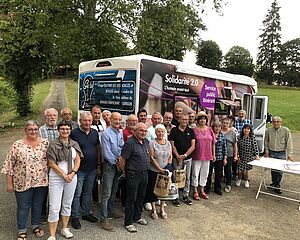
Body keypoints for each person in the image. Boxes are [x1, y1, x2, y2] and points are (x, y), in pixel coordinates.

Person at [2, 120, 48, 240]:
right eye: (30, 129)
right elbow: (9, 165)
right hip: (22, 182)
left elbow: (53, 161)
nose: (33, 131)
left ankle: (35, 226)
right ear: (25, 130)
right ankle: (22, 230)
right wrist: (9, 183)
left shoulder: (45, 143)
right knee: (23, 207)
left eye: (35, 129)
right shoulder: (17, 145)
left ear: (38, 130)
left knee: (38, 205)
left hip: (41, 182)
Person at [46, 120, 83, 240]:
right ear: (58, 130)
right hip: (57, 177)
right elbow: (51, 163)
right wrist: (64, 175)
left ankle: (64, 228)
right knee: (54, 206)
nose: (65, 131)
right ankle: (52, 235)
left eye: (67, 129)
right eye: (62, 129)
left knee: (67, 204)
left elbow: (77, 160)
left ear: (70, 130)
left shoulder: (74, 144)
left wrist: (72, 173)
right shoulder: (53, 144)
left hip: (71, 177)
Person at [70, 112, 101, 229]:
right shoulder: (74, 134)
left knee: (88, 192)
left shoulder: (94, 133)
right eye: (85, 120)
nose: (87, 123)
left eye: (89, 120)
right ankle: (75, 216)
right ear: (80, 121)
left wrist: (98, 165)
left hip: (92, 169)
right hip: (79, 169)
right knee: (77, 194)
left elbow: (98, 149)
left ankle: (86, 213)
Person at [118, 122, 150, 233]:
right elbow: (122, 160)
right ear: (135, 131)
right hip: (133, 175)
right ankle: (128, 222)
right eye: (141, 130)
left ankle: (137, 217)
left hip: (144, 174)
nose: (143, 133)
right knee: (131, 199)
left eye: (145, 131)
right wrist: (124, 172)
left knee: (141, 197)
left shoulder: (146, 141)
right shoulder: (130, 143)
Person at [100, 112, 124, 231]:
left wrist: (121, 161)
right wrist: (117, 162)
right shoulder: (106, 133)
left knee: (114, 191)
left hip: (118, 165)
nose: (118, 121)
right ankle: (103, 218)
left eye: (119, 119)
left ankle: (110, 211)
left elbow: (121, 147)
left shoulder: (120, 132)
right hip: (110, 166)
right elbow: (106, 152)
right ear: (110, 119)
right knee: (106, 193)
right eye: (115, 119)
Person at [144, 124, 172, 220]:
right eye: (158, 131)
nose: (160, 133)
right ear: (155, 133)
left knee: (164, 190)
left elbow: (170, 156)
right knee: (153, 189)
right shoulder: (152, 142)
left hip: (165, 170)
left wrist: (168, 166)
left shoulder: (168, 143)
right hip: (154, 170)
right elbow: (151, 158)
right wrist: (160, 169)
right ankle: (154, 210)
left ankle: (162, 209)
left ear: (164, 132)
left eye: (162, 131)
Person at [169, 114, 195, 206]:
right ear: (179, 119)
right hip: (177, 159)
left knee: (187, 177)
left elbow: (193, 146)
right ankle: (175, 197)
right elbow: (172, 145)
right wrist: (178, 156)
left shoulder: (191, 131)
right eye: (183, 119)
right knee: (176, 177)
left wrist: (184, 155)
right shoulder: (174, 130)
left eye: (186, 120)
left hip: (187, 159)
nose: (185, 121)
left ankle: (185, 195)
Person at [39, 108, 59, 224]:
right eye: (49, 116)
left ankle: (55, 214)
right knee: (43, 191)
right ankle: (42, 214)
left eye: (54, 115)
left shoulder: (60, 129)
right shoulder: (40, 131)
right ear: (45, 117)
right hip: (44, 166)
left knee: (56, 191)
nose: (52, 118)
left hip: (58, 166)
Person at [264, 116, 293, 194]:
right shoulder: (269, 130)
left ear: (281, 122)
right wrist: (266, 151)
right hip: (272, 152)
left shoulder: (286, 130)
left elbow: (289, 143)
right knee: (273, 169)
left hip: (281, 153)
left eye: (277, 122)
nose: (276, 123)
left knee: (279, 170)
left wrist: (290, 154)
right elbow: (266, 141)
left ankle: (277, 186)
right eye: (274, 121)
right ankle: (274, 183)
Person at [191, 112, 216, 200]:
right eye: (200, 119)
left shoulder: (209, 129)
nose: (202, 120)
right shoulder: (193, 129)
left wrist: (214, 154)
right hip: (197, 155)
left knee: (205, 173)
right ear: (197, 120)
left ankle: (202, 190)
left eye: (204, 119)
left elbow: (213, 143)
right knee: (195, 173)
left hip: (208, 155)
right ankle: (195, 191)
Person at [205, 121, 227, 196]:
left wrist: (225, 158)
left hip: (220, 157)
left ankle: (217, 188)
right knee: (209, 173)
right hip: (210, 156)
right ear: (213, 127)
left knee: (218, 174)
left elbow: (225, 148)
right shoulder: (210, 135)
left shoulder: (222, 136)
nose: (217, 128)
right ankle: (207, 188)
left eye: (219, 127)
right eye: (216, 126)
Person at [221, 118, 238, 193]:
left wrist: (235, 155)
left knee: (228, 169)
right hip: (220, 153)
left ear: (229, 124)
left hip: (229, 154)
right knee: (219, 169)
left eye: (227, 123)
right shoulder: (219, 131)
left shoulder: (232, 133)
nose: (225, 124)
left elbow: (235, 145)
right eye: (224, 123)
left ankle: (228, 184)